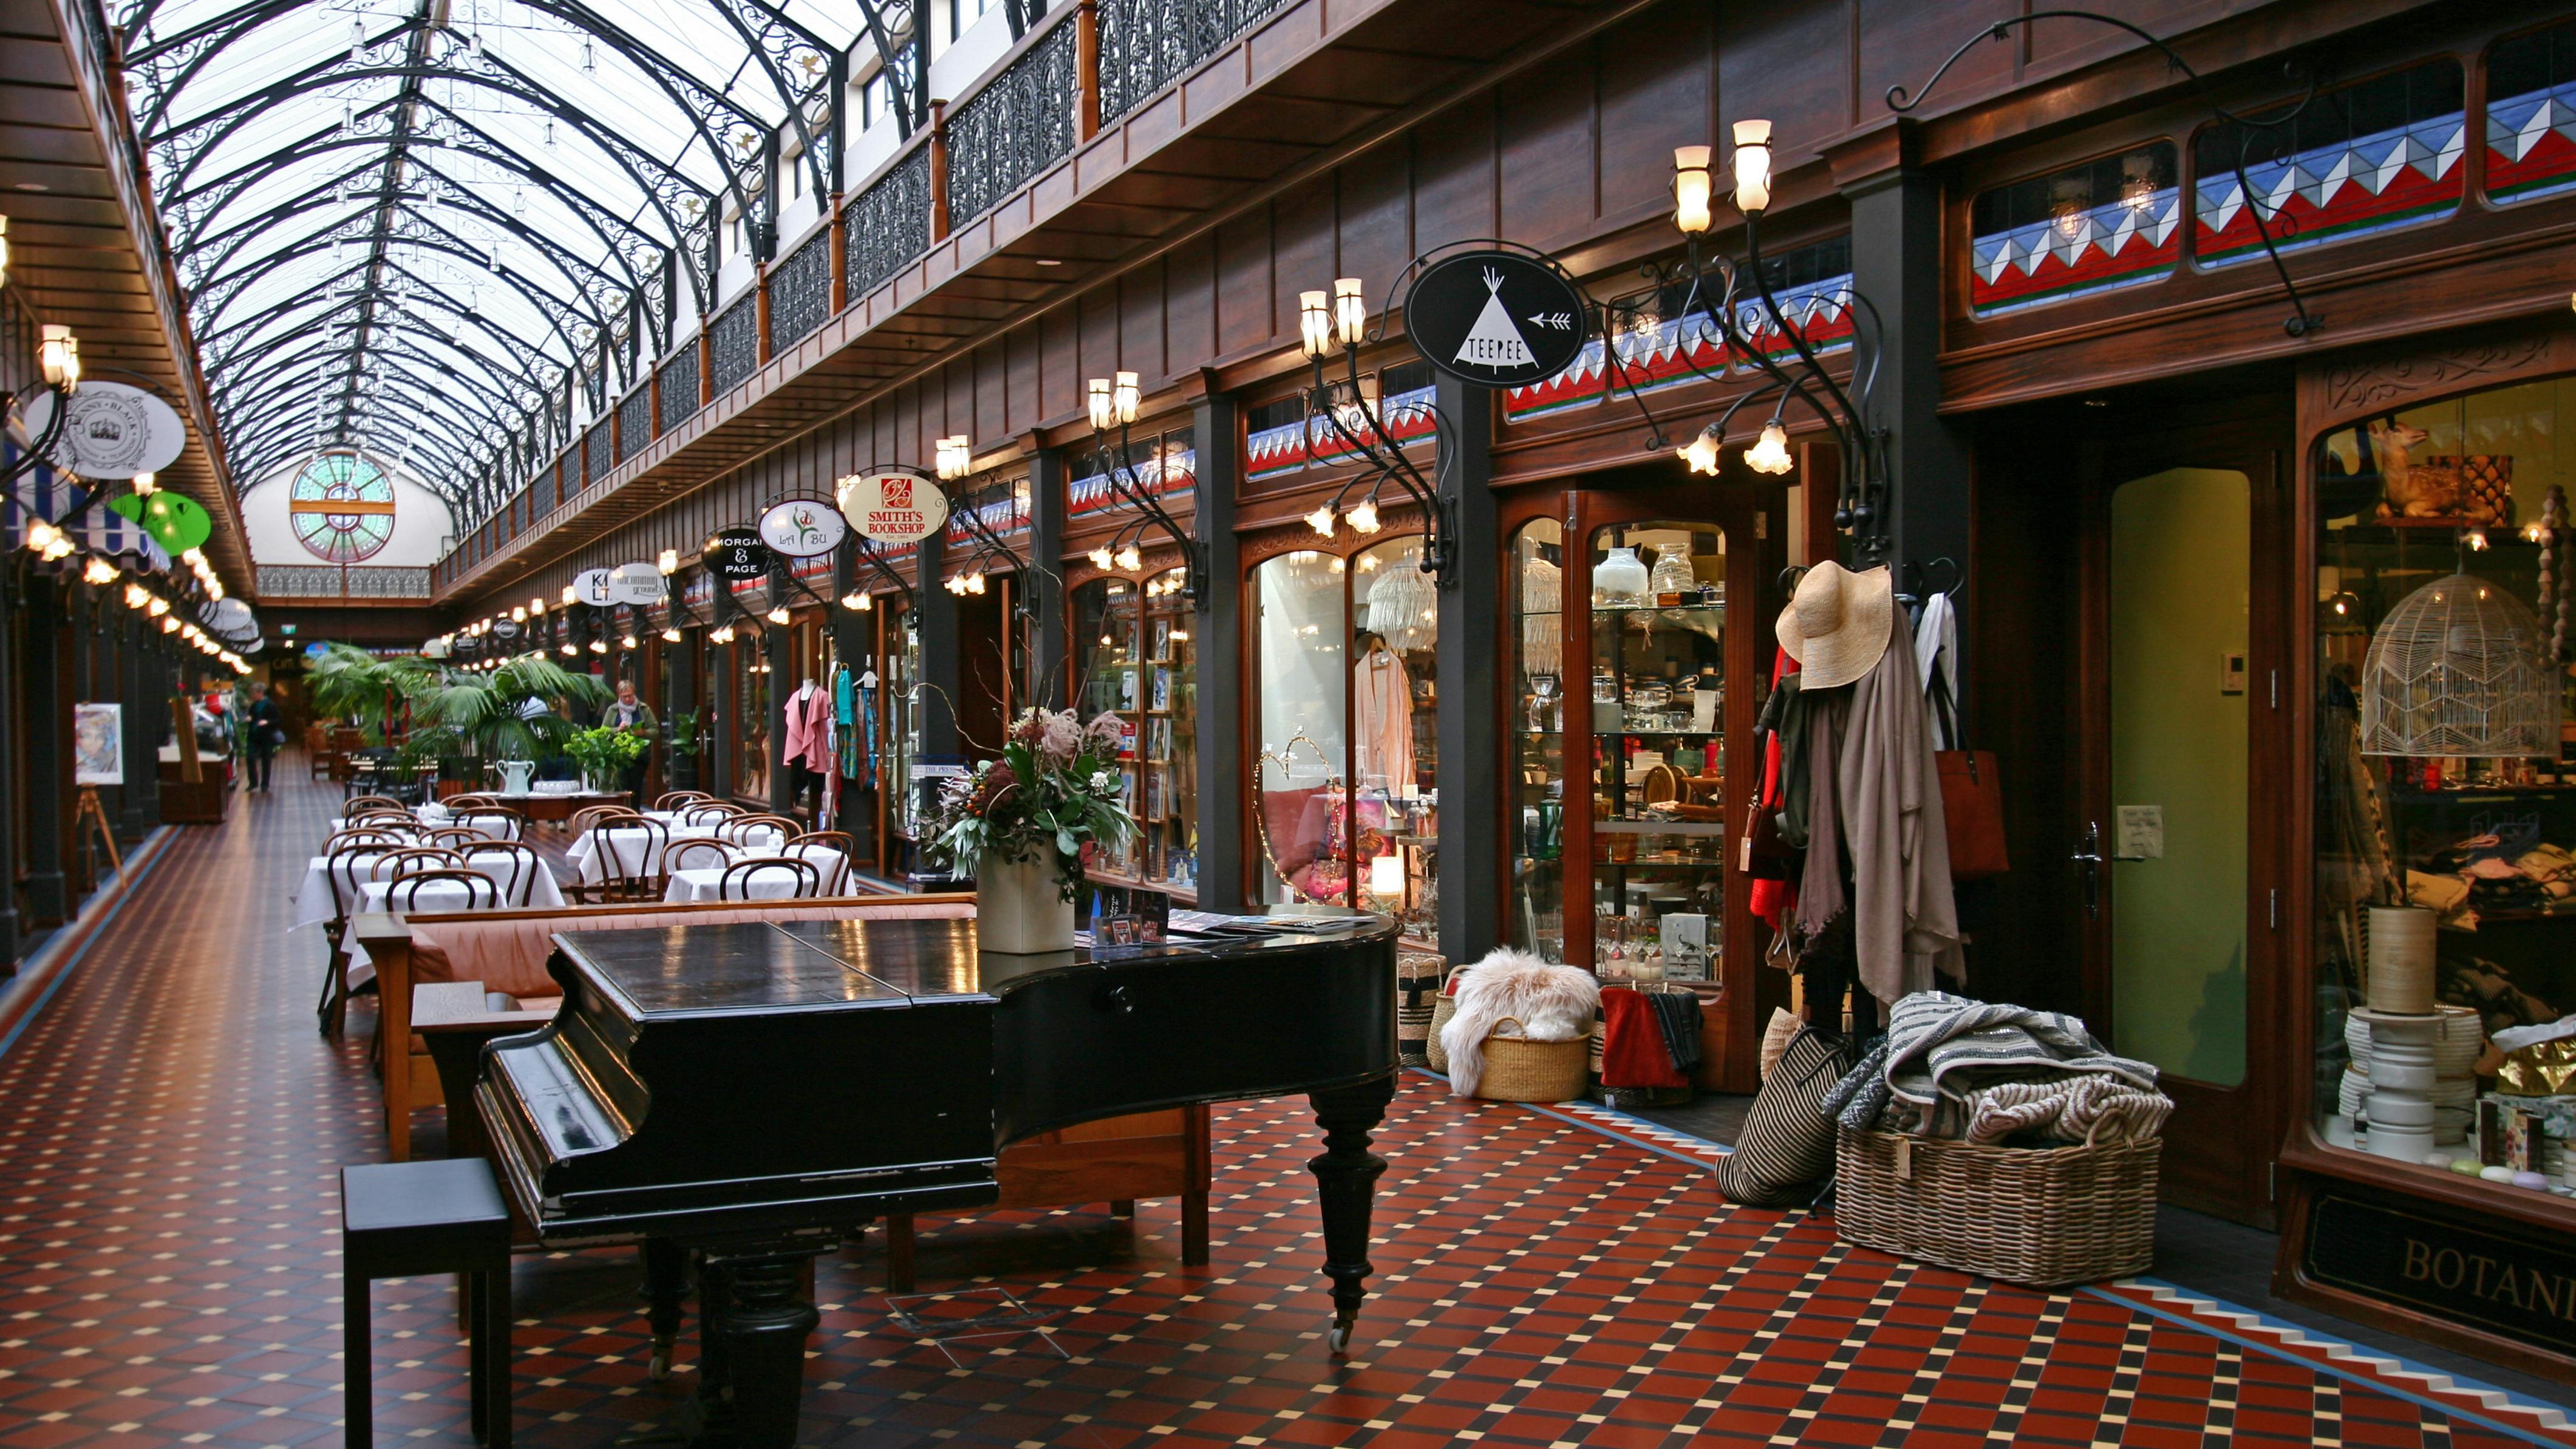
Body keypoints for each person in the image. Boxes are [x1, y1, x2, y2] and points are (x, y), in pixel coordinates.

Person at [604, 678, 658, 805]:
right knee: (620, 789)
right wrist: (617, 730)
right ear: (619, 696)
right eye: (624, 697)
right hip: (618, 756)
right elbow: (603, 730)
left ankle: (634, 819)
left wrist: (643, 733)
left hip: (638, 757)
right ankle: (621, 819)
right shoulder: (613, 711)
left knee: (636, 789)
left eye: (630, 696)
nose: (628, 699)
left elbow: (655, 730)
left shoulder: (644, 709)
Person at [244, 681, 284, 794]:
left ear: (260, 693)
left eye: (254, 693)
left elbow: (278, 719)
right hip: (253, 736)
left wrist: (267, 722)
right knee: (250, 758)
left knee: (266, 760)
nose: (253, 695)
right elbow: (251, 715)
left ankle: (265, 784)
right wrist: (250, 718)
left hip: (266, 737)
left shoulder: (271, 705)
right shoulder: (254, 705)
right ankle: (253, 782)